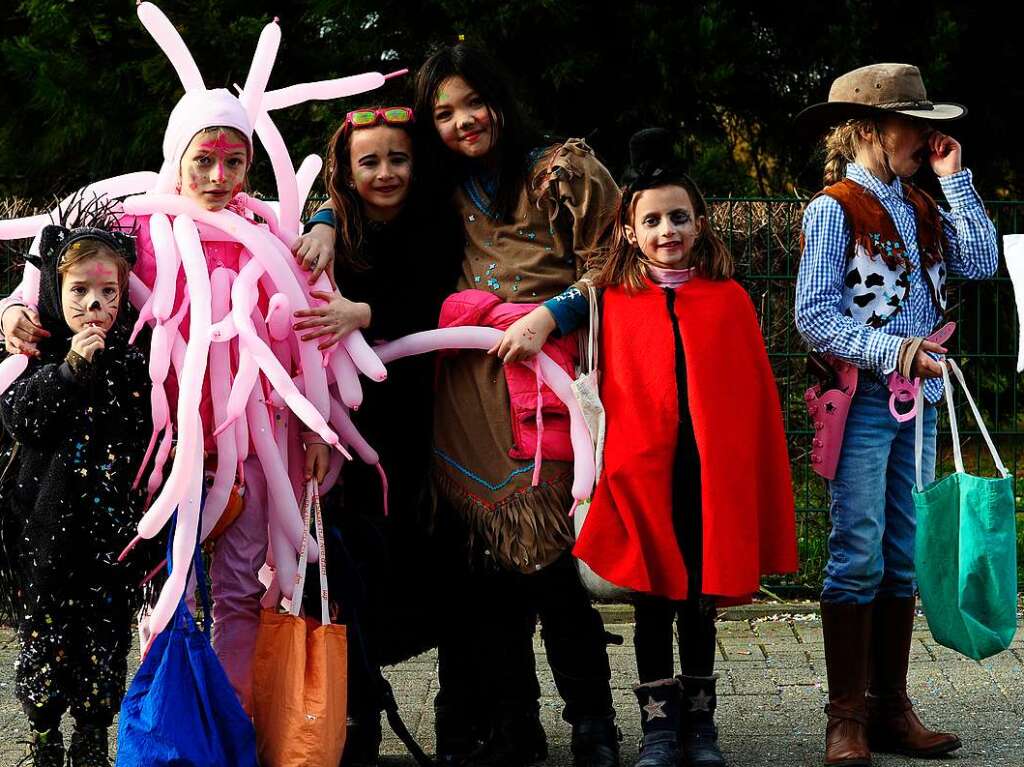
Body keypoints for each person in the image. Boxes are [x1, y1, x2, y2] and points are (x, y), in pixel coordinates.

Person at [301, 43, 621, 767]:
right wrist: (322, 216)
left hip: (546, 382)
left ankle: (593, 723)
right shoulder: (437, 188)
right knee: (485, 572)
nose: (462, 121)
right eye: (442, 112)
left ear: (499, 99)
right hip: (462, 397)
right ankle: (513, 725)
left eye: (471, 102)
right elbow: (355, 177)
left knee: (549, 566)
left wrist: (555, 314)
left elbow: (616, 257)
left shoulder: (554, 172)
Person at [0, 98, 333, 715]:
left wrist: (325, 220)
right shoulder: (139, 229)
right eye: (203, 159)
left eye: (235, 161)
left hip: (250, 444)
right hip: (157, 446)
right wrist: (11, 308)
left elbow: (303, 331)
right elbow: (55, 265)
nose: (218, 176)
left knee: (238, 589)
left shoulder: (263, 234)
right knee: (165, 589)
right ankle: (164, 723)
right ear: (176, 157)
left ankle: (227, 725)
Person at [571, 128, 797, 767]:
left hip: (708, 478)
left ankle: (702, 727)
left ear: (699, 224)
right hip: (643, 475)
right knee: (651, 601)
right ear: (629, 231)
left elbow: (748, 402)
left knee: (700, 600)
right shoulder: (612, 302)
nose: (666, 229)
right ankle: (659, 732)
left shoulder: (728, 302)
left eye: (678, 216)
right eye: (652, 219)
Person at [794, 63, 998, 766]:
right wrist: (896, 349)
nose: (930, 135)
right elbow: (815, 317)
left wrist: (954, 181)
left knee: (903, 556)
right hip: (865, 403)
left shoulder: (922, 202)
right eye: (917, 123)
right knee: (857, 552)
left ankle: (891, 705)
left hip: (924, 404)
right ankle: (844, 715)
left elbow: (979, 261)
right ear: (870, 129)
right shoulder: (833, 209)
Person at [291, 104, 464, 767]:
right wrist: (325, 219)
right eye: (369, 161)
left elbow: (440, 298)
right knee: (344, 574)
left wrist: (364, 312)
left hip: (424, 420)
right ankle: (355, 711)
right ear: (346, 169)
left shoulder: (436, 224)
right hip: (347, 433)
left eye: (398, 158)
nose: (385, 172)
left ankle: (461, 713)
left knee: (432, 568)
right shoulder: (336, 227)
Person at [0, 215, 152, 766]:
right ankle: (43, 734)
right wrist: (68, 370)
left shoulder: (135, 361)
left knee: (103, 645)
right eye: (80, 291)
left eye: (108, 292)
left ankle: (92, 734)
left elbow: (147, 436)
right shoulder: (35, 358)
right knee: (43, 644)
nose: (95, 305)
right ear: (54, 292)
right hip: (43, 540)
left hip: (109, 540)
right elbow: (24, 421)